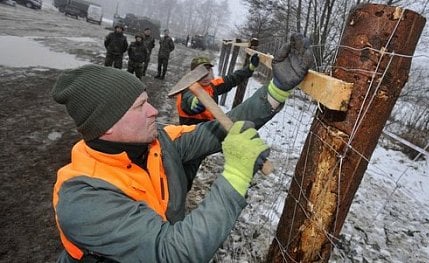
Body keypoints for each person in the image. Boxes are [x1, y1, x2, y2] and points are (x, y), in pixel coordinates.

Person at [51, 33, 312, 262]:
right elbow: (171, 253)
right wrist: (237, 174)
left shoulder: (160, 140)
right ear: (107, 124)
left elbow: (220, 129)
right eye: (140, 106)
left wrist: (276, 91)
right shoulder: (81, 198)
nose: (154, 111)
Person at [176, 54, 259, 125]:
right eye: (199, 72)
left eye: (207, 70)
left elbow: (232, 79)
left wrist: (250, 68)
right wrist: (194, 103)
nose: (205, 76)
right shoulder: (187, 89)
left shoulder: (212, 85)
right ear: (192, 75)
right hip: (191, 136)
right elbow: (188, 100)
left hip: (209, 130)